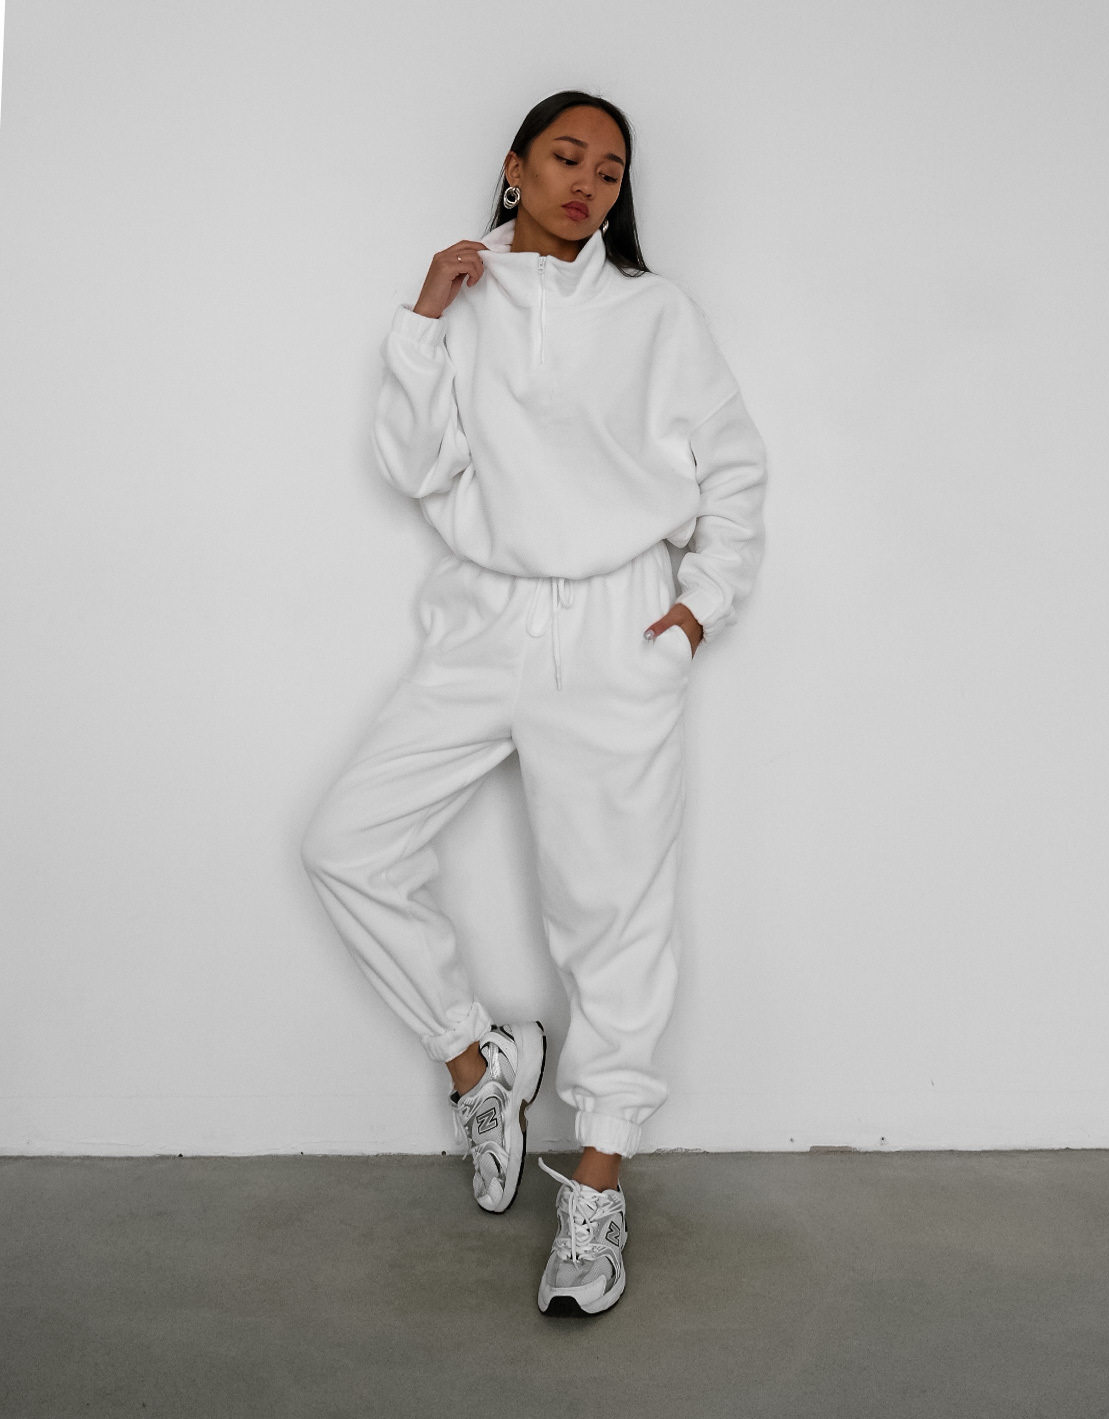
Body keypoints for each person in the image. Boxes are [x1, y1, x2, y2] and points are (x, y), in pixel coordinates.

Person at [302, 90, 767, 1317]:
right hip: (484, 620)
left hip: (617, 628)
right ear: (515, 167)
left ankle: (598, 1184)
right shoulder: (466, 300)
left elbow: (732, 466)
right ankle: (482, 1065)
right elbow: (415, 467)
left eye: (610, 171)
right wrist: (423, 317)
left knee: (612, 914)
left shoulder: (655, 313)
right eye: (566, 157)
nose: (587, 184)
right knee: (347, 844)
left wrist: (697, 609)